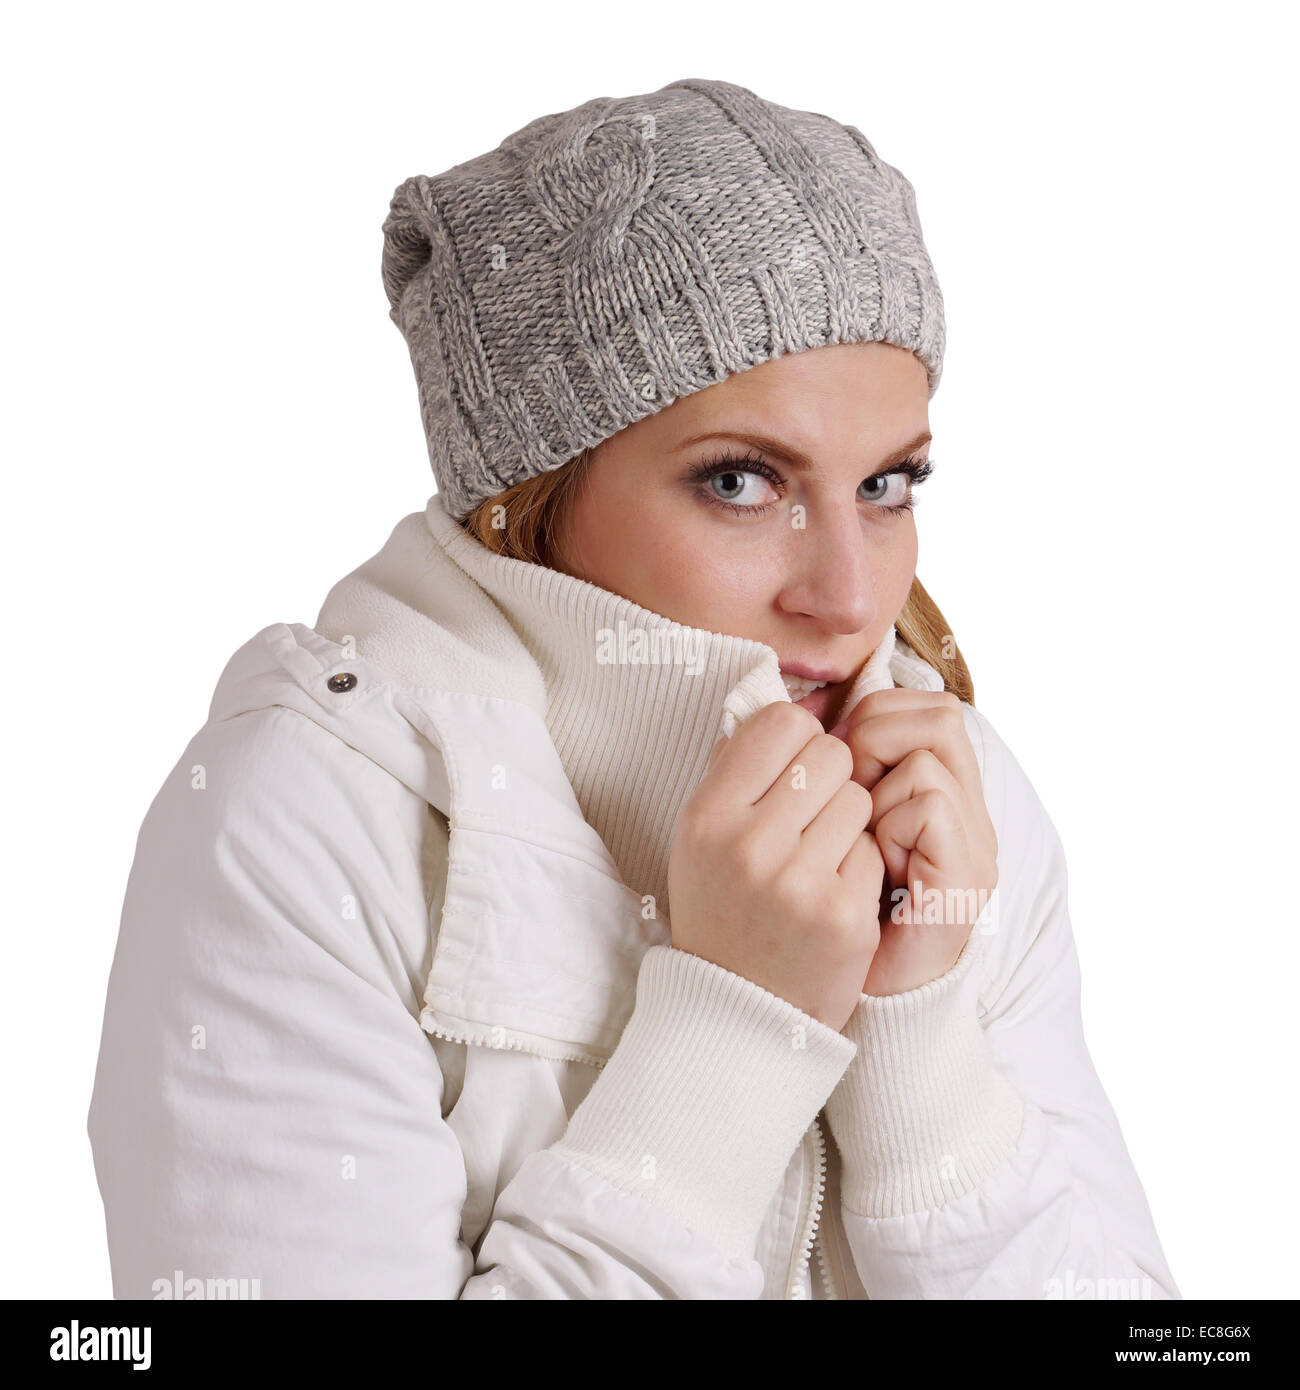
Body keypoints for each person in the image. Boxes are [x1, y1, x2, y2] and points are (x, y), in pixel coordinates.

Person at [87, 75, 1179, 1300]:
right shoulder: (307, 814)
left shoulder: (956, 802)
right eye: (739, 481)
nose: (846, 594)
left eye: (887, 484)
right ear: (527, 501)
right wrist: (732, 1029)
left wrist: (918, 1053)